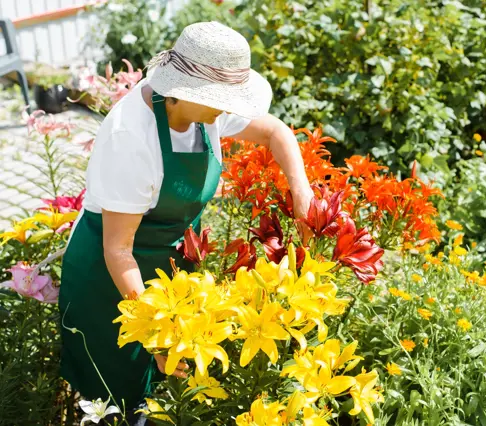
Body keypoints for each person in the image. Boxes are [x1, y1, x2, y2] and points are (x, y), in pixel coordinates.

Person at [59, 21, 314, 419]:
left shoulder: (205, 113)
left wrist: (302, 193)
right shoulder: (132, 135)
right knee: (115, 402)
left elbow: (275, 133)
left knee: (168, 400)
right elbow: (118, 248)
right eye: (223, 99)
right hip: (109, 278)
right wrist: (159, 337)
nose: (230, 110)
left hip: (170, 272)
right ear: (182, 91)